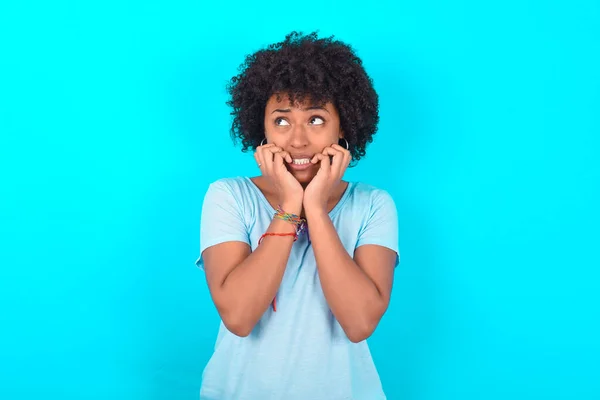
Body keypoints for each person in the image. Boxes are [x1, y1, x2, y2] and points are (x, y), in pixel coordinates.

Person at [195, 31, 400, 400]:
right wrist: (291, 205)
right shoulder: (228, 196)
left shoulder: (373, 204)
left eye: (317, 120)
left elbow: (358, 322)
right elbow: (240, 317)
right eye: (282, 120)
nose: (298, 140)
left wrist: (316, 208)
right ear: (262, 128)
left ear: (344, 127)